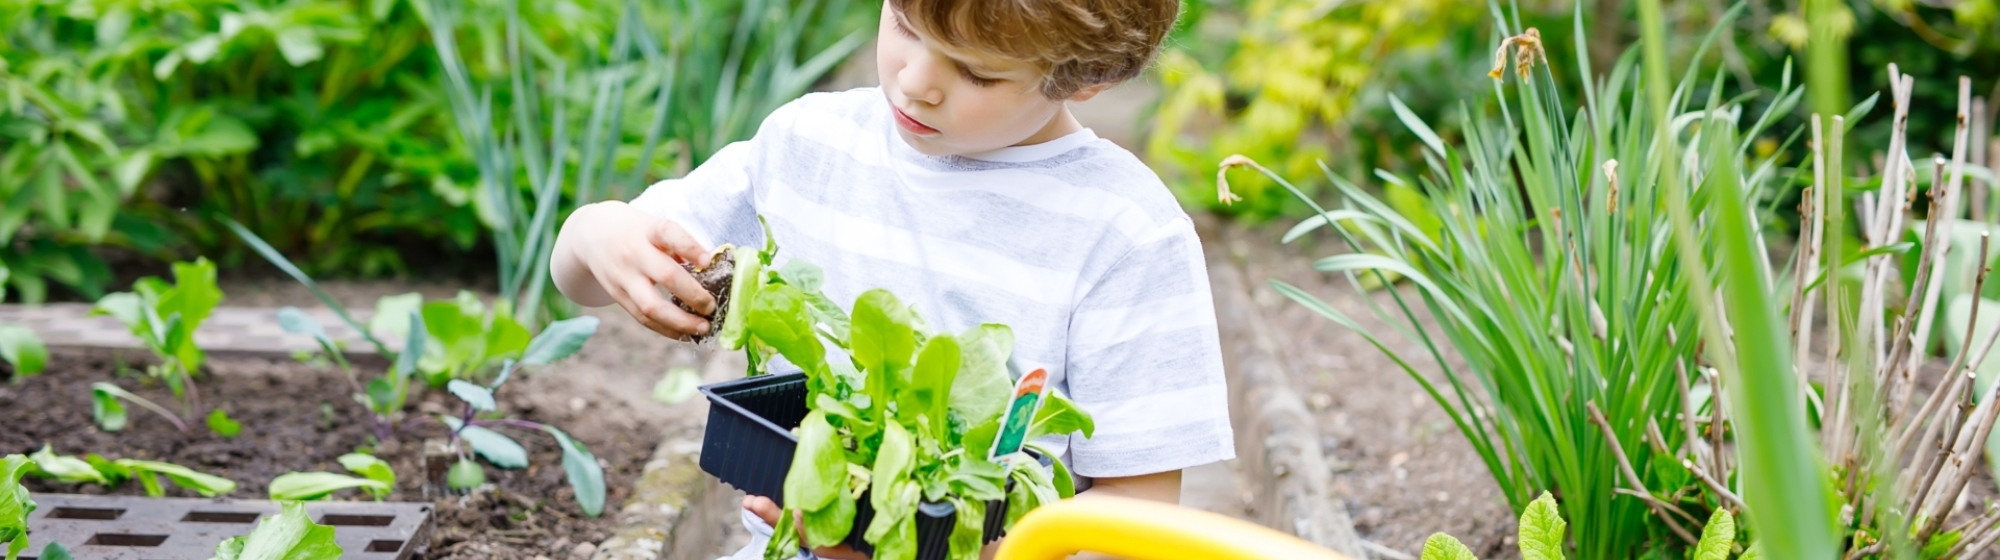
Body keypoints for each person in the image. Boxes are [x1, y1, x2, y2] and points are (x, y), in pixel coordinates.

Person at [549, 0, 1230, 555]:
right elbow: (581, 280)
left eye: (976, 72)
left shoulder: (1128, 233)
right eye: (904, 22)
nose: (914, 81)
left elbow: (1139, 525)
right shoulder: (810, 143)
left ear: (1087, 76)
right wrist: (595, 232)